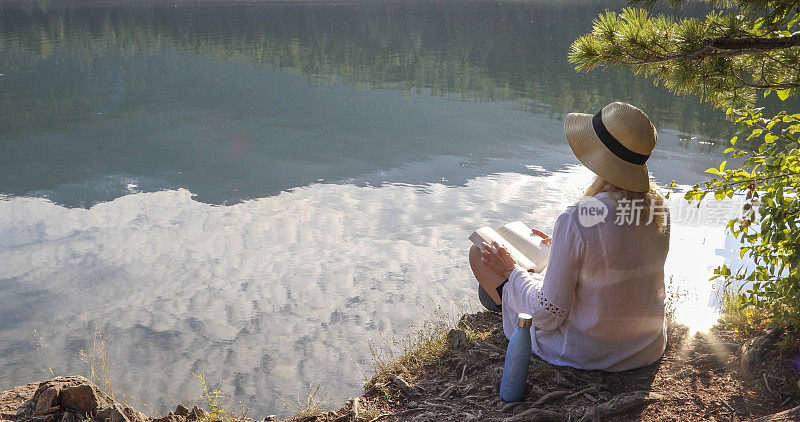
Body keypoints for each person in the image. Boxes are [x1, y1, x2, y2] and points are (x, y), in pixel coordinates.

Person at [468, 102, 670, 371]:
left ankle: (503, 302)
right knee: (535, 253)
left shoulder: (578, 218)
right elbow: (618, 258)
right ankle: (508, 294)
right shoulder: (657, 206)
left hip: (588, 350)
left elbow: (548, 314)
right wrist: (562, 245)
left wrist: (512, 270)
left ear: (598, 155)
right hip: (644, 345)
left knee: (481, 254)